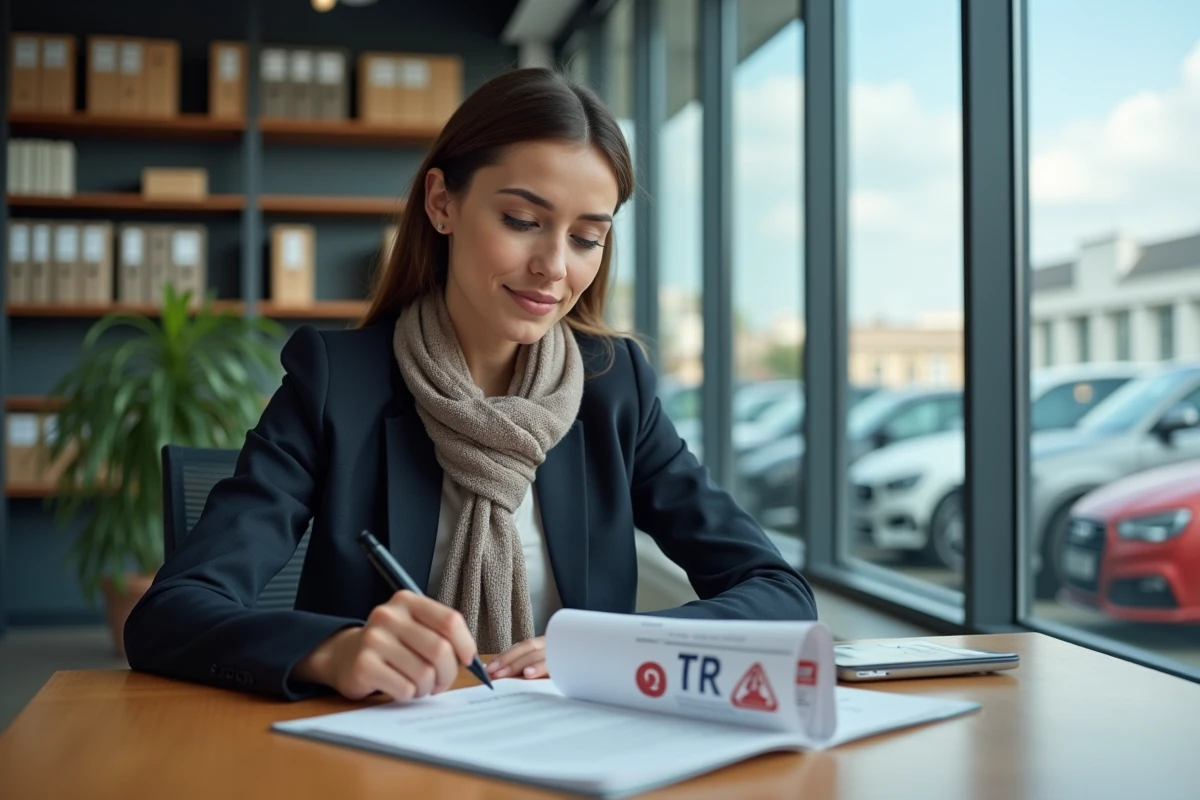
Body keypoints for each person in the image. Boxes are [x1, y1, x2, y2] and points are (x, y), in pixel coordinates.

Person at [124, 67, 817, 703]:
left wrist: (618, 646)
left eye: (587, 237)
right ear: (442, 203)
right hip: (382, 760)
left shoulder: (614, 389)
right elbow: (172, 612)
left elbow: (778, 591)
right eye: (522, 221)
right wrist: (332, 651)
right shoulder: (338, 384)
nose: (553, 266)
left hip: (578, 751)